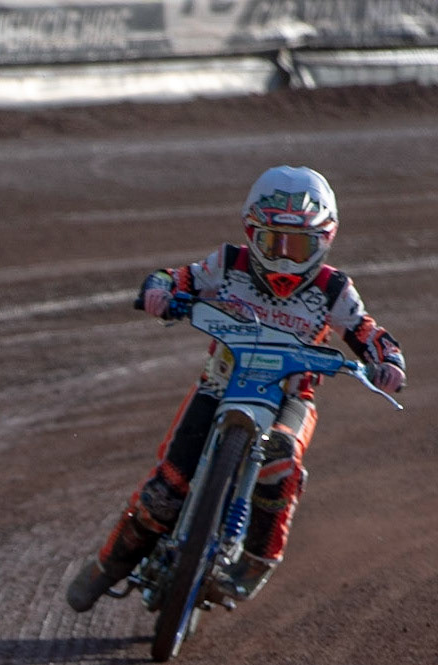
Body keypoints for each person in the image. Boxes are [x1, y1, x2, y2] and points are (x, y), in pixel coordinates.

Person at [66, 166, 407, 611]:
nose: (285, 258)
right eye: (272, 243)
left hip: (290, 397)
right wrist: (160, 289)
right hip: (219, 383)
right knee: (166, 489)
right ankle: (109, 564)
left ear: (325, 239)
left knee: (281, 458)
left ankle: (257, 559)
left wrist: (387, 360)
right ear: (251, 233)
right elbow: (176, 277)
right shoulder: (228, 263)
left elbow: (364, 329)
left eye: (298, 245)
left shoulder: (334, 288)